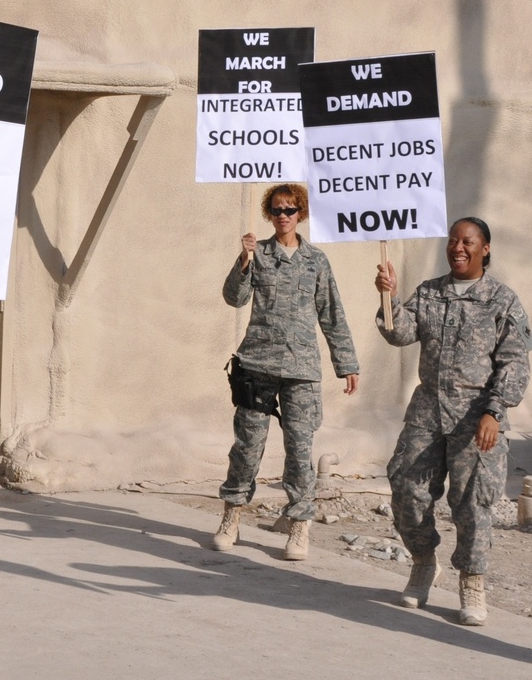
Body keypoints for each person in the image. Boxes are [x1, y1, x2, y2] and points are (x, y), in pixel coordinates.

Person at [374, 217, 531, 626]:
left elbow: (514, 363)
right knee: (406, 487)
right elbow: (400, 334)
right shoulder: (430, 292)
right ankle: (424, 562)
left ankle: (472, 581)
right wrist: (389, 298)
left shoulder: (503, 301)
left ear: (486, 249)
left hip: (476, 416)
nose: (458, 248)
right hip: (427, 410)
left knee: (473, 503)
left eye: (468, 242)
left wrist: (494, 412)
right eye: (453, 241)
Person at [213, 183, 359, 560]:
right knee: (247, 448)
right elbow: (234, 298)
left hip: (301, 369)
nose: (283, 216)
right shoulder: (257, 253)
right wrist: (243, 261)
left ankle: (299, 525)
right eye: (277, 210)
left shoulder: (316, 261)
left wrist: (347, 365)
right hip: (258, 364)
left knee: (299, 450)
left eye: (290, 210)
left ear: (301, 214)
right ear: (268, 213)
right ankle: (231, 516)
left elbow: (332, 314)